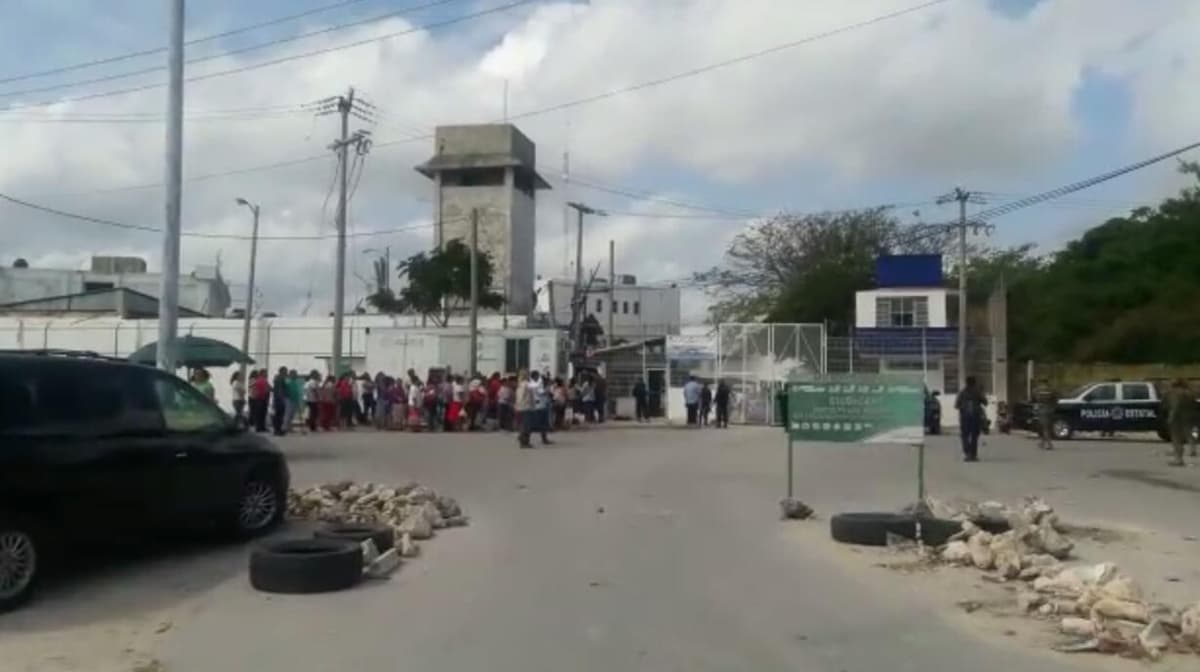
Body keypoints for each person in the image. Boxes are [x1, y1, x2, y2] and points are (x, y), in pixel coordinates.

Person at [955, 376, 987, 462]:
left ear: (966, 383)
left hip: (964, 418)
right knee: (974, 436)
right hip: (975, 417)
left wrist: (963, 406)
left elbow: (956, 405)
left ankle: (968, 453)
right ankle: (973, 455)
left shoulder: (962, 393)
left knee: (964, 435)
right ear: (974, 383)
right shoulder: (978, 392)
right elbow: (985, 402)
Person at [1165, 378, 1196, 467]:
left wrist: (1171, 417)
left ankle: (1178, 459)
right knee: (1189, 433)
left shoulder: (1175, 393)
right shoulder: (1189, 393)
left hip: (1177, 418)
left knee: (1176, 439)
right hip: (1189, 416)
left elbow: (1175, 406)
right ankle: (1192, 449)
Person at [1032, 377, 1057, 451]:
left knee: (1044, 427)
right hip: (1050, 409)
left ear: (1041, 382)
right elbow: (1055, 400)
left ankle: (1049, 444)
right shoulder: (1052, 390)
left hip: (1041, 409)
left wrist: (1035, 408)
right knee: (1047, 426)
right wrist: (1053, 408)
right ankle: (1042, 442)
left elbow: (1033, 400)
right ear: (1047, 382)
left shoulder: (1036, 390)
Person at [249, 369, 270, 433]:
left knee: (260, 414)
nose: (266, 374)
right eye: (265, 373)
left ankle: (260, 427)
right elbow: (266, 389)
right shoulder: (261, 380)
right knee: (261, 414)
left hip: (260, 398)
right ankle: (260, 427)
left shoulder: (260, 380)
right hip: (261, 398)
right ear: (262, 373)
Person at [270, 366, 289, 436]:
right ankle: (278, 430)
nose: (286, 373)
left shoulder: (278, 378)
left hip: (277, 398)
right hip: (280, 399)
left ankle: (277, 429)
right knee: (279, 415)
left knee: (278, 415)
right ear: (281, 371)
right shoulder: (280, 378)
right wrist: (282, 398)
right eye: (285, 371)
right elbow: (280, 389)